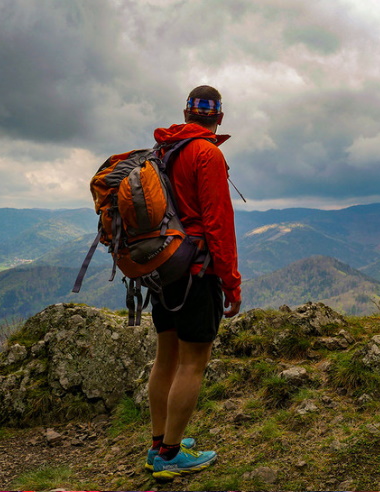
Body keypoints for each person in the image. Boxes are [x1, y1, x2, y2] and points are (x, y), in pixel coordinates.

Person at [145, 85, 242, 481]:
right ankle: (170, 456)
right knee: (193, 363)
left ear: (186, 114)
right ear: (218, 118)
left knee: (165, 357)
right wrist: (231, 283)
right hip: (197, 272)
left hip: (162, 268)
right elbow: (219, 224)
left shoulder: (162, 152)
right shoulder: (208, 154)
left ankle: (159, 445)